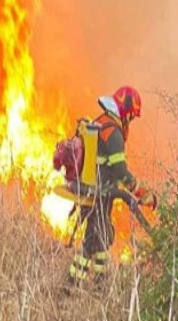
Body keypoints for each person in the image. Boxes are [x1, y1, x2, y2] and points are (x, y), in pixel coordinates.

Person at [68, 86, 157, 284]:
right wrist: (141, 192)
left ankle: (100, 280)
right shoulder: (113, 132)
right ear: (125, 112)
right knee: (92, 240)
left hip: (99, 190)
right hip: (102, 192)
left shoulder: (102, 121)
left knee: (103, 235)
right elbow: (121, 172)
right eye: (131, 116)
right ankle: (71, 285)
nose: (130, 121)